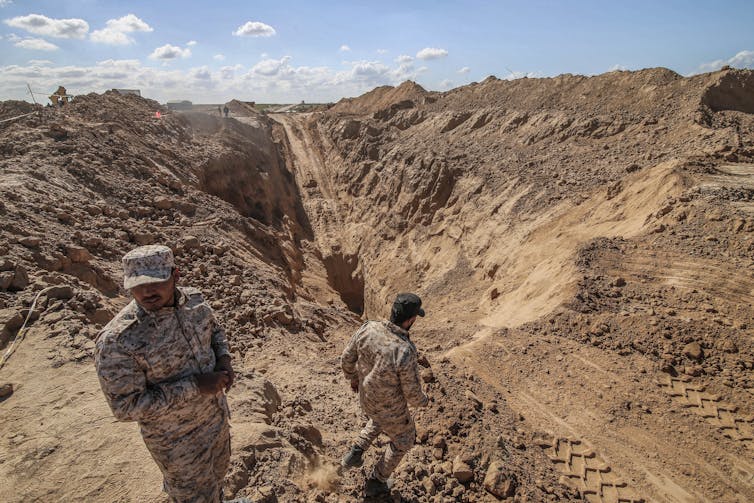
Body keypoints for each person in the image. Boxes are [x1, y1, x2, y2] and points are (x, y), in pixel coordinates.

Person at [95, 245, 235, 503]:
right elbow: (125, 407)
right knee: (195, 497)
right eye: (138, 285)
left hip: (215, 421)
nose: (147, 291)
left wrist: (223, 357)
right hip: (177, 444)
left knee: (217, 480)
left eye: (156, 282)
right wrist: (194, 386)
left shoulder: (195, 302)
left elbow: (215, 330)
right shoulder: (119, 341)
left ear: (175, 275)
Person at [340, 293, 429, 496]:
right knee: (405, 438)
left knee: (379, 417)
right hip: (389, 407)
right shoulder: (404, 351)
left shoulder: (368, 328)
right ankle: (377, 480)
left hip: (366, 398)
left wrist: (353, 379)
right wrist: (425, 401)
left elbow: (346, 359)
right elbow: (413, 396)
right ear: (410, 320)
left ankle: (355, 452)